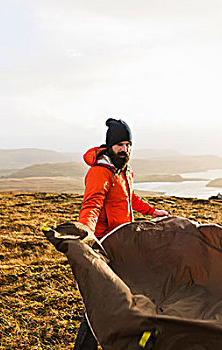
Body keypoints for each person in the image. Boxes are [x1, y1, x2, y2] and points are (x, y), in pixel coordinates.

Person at [73, 118, 168, 350]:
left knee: (125, 295)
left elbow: (130, 199)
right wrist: (85, 234)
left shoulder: (124, 171)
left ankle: (141, 339)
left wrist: (153, 211)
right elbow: (92, 206)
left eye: (128, 145)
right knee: (105, 300)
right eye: (120, 145)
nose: (125, 150)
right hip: (107, 246)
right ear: (109, 146)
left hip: (126, 244)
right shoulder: (100, 173)